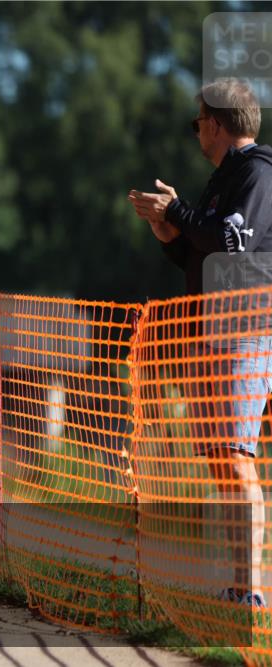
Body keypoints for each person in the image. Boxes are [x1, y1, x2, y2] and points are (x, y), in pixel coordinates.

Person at [129, 78, 272, 607]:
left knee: (235, 455)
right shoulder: (225, 179)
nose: (195, 135)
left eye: (197, 124)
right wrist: (170, 233)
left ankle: (249, 590)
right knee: (219, 456)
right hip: (212, 330)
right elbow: (203, 251)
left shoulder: (257, 172)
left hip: (244, 329)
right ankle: (240, 583)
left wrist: (177, 213)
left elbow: (231, 242)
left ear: (215, 123)